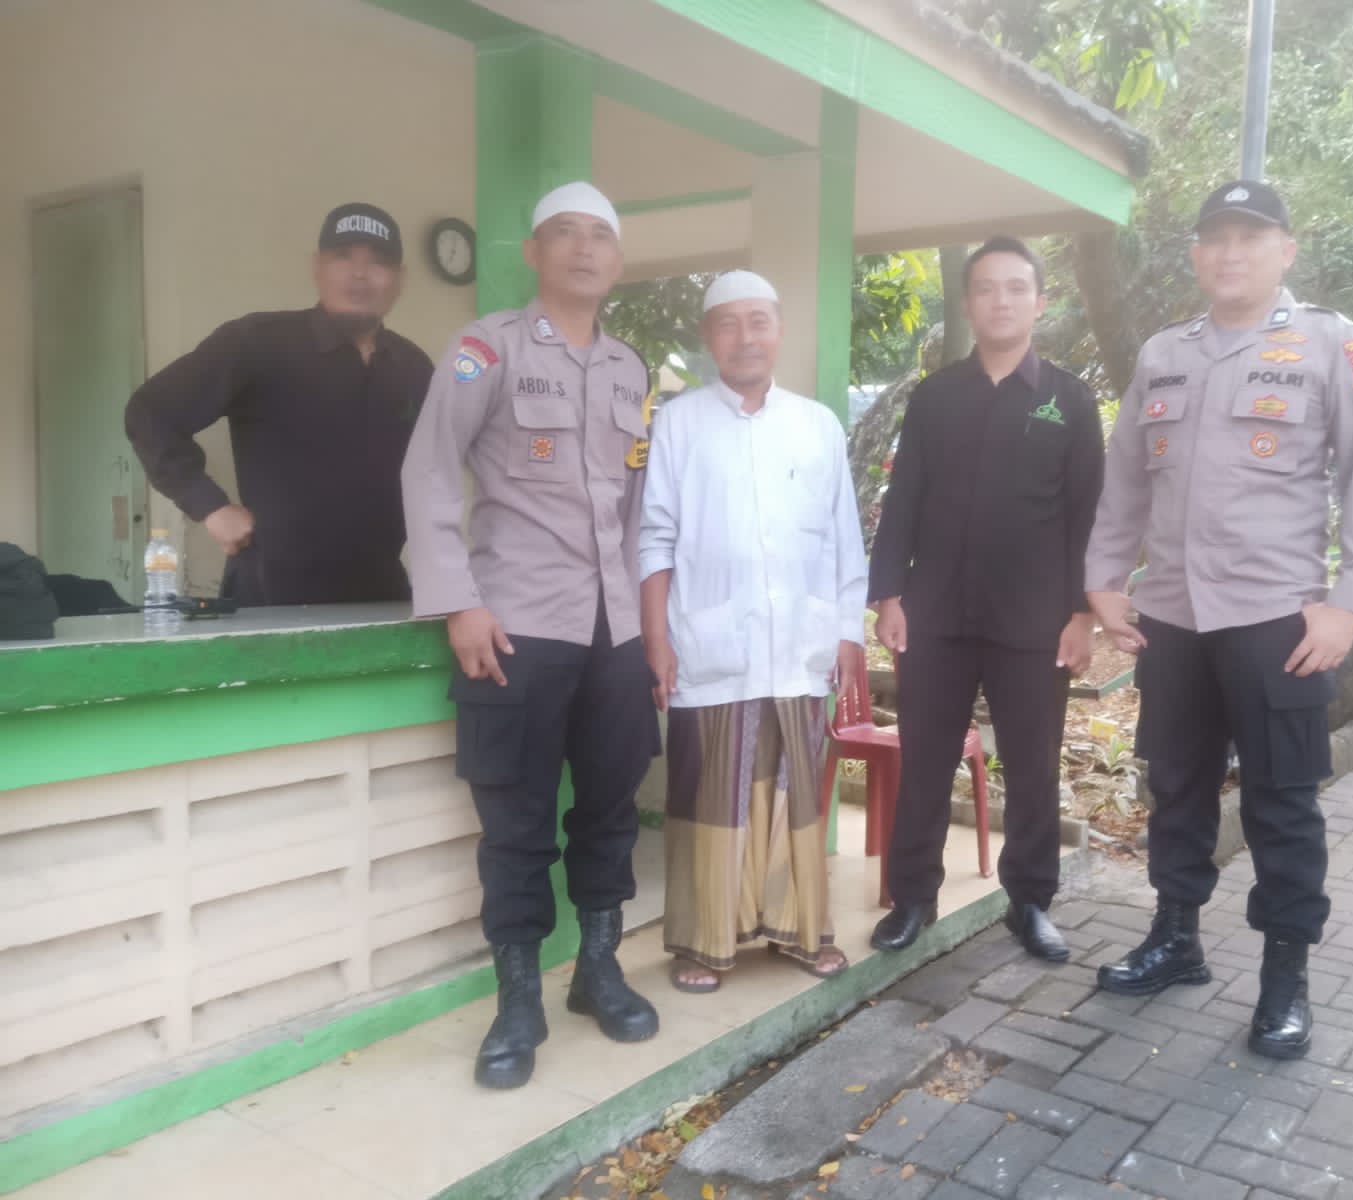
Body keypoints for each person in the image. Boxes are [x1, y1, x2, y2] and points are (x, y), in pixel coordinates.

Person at [1084, 181, 1353, 1060]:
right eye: (1215, 238)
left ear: (1284, 251)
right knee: (1175, 785)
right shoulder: (1163, 353)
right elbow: (1124, 479)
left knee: (1281, 803)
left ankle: (1284, 979)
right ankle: (1175, 939)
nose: (1230, 253)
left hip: (1275, 621)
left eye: (1249, 238)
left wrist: (1349, 603)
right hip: (1172, 617)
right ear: (1195, 255)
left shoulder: (1330, 343)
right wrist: (1102, 578)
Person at [401, 182, 659, 1090]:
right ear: (534, 253)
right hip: (515, 622)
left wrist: (648, 629)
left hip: (613, 632)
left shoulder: (630, 370)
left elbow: (636, 508)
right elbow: (430, 469)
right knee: (515, 821)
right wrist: (456, 599)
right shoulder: (487, 349)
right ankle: (517, 1001)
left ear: (617, 259)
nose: (584, 249)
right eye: (564, 234)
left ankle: (598, 970)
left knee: (611, 810)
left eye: (600, 236)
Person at [867, 237, 1104, 962]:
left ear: (1040, 302)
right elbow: (903, 498)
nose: (1001, 301)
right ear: (968, 303)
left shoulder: (1069, 400)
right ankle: (912, 898)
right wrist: (888, 595)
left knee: (1031, 766)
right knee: (924, 760)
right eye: (986, 288)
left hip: (1034, 619)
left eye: (1015, 287)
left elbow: (1088, 515)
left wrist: (1083, 614)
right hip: (936, 613)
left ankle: (1029, 902)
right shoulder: (935, 396)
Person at [638, 270, 868, 994]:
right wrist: (656, 640)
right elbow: (654, 537)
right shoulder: (678, 422)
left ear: (778, 332)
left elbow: (844, 540)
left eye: (759, 321)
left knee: (795, 795)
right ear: (709, 337)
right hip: (710, 644)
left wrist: (847, 632)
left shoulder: (817, 424)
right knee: (711, 795)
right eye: (729, 323)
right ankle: (705, 941)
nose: (745, 337)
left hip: (799, 643)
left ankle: (800, 930)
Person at [126, 203, 430, 606]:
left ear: (399, 279)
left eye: (378, 261)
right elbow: (150, 412)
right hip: (273, 591)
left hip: (381, 590)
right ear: (317, 267)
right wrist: (210, 506)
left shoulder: (413, 366)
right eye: (343, 257)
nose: (359, 273)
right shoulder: (258, 342)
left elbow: (438, 467)